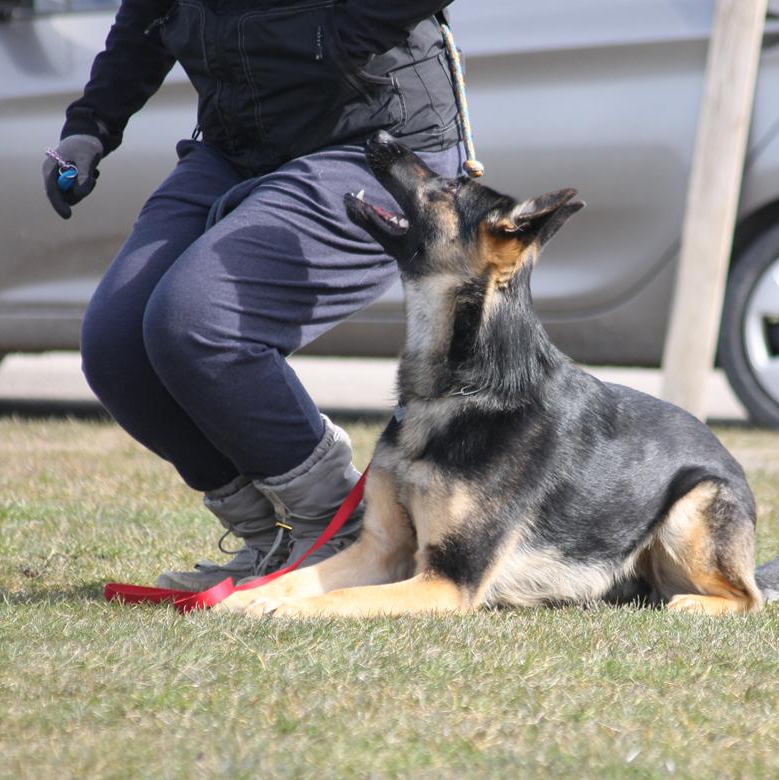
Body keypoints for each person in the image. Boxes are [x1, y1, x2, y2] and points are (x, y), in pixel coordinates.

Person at [42, 0, 463, 591]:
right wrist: (91, 124)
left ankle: (344, 534)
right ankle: (271, 541)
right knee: (118, 347)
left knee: (200, 319)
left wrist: (334, 35)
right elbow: (150, 11)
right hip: (237, 146)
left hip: (372, 143)